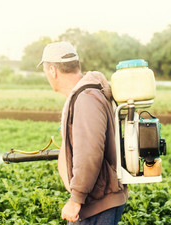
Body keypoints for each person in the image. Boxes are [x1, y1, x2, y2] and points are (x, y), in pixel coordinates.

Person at [38, 42, 128, 225]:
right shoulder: (87, 94)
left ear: (52, 71)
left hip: (97, 204)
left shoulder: (86, 98)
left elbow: (89, 153)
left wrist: (76, 199)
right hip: (98, 202)